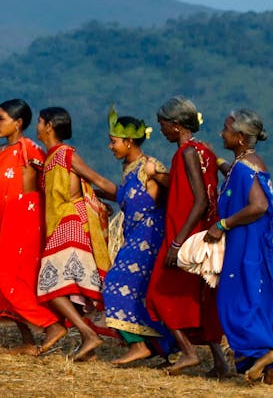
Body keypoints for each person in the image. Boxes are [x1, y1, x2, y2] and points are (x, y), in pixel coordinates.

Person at [204, 110, 273, 384]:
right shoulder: (248, 162)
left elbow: (258, 205)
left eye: (226, 129)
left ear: (241, 137)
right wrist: (216, 160)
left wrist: (223, 224)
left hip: (254, 235)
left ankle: (262, 349)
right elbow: (236, 180)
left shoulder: (244, 167)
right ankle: (271, 370)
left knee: (236, 297)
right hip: (271, 234)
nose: (222, 134)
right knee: (264, 296)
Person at [145, 96, 230, 376]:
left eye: (164, 125)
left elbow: (199, 201)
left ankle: (189, 352)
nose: (161, 130)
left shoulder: (187, 153)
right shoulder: (202, 150)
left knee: (158, 293)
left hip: (186, 236)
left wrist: (177, 242)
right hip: (200, 235)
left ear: (177, 125)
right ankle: (220, 363)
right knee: (200, 299)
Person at [33, 107, 113, 361]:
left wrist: (129, 196)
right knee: (65, 286)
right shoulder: (50, 158)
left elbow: (96, 179)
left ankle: (87, 333)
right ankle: (87, 343)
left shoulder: (65, 154)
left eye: (39, 121)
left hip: (71, 222)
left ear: (48, 126)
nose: (37, 126)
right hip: (62, 224)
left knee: (51, 285)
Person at [98, 108, 173, 365]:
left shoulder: (149, 167)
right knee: (140, 292)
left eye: (114, 141)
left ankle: (139, 345)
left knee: (115, 284)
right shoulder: (129, 169)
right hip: (133, 237)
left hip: (150, 238)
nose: (110, 146)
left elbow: (178, 186)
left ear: (129, 142)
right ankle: (158, 348)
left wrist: (158, 174)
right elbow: (122, 196)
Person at [0, 99, 59, 355]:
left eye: (1, 119)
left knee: (13, 280)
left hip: (24, 220)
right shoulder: (0, 153)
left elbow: (48, 183)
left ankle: (50, 324)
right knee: (2, 280)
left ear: (18, 123)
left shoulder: (30, 150)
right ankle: (27, 341)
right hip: (3, 219)